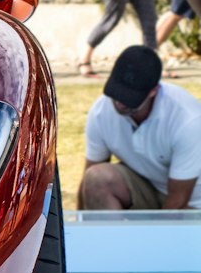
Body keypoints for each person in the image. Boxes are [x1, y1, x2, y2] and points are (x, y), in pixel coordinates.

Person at [79, 45, 201, 210]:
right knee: (96, 178)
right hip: (149, 187)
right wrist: (75, 231)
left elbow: (178, 202)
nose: (119, 102)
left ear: (154, 91)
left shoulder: (188, 120)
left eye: (129, 96)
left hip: (192, 204)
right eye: (117, 91)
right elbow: (88, 177)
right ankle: (109, 236)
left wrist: (158, 236)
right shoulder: (101, 111)